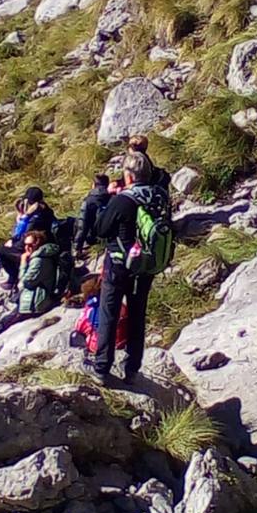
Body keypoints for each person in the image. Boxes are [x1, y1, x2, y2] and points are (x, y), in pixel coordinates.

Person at [83, 151, 168, 386]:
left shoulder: (124, 199)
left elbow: (101, 229)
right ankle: (132, 369)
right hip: (147, 265)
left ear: (129, 176)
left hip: (120, 263)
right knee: (137, 313)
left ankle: (101, 367)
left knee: (109, 311)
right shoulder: (159, 195)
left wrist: (106, 201)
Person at [0, 186, 55, 288]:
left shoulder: (34, 219)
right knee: (5, 246)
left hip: (29, 248)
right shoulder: (47, 211)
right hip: (44, 243)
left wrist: (22, 218)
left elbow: (21, 235)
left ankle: (11, 279)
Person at [17, 230, 61, 317]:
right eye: (25, 244)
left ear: (38, 244)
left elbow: (27, 281)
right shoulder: (40, 257)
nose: (27, 248)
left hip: (36, 304)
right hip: (35, 301)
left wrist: (23, 263)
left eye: (30, 244)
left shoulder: (39, 260)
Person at [74, 174, 110, 258]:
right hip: (109, 240)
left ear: (93, 185)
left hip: (92, 240)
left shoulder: (88, 201)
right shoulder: (113, 198)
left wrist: (77, 247)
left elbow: (82, 226)